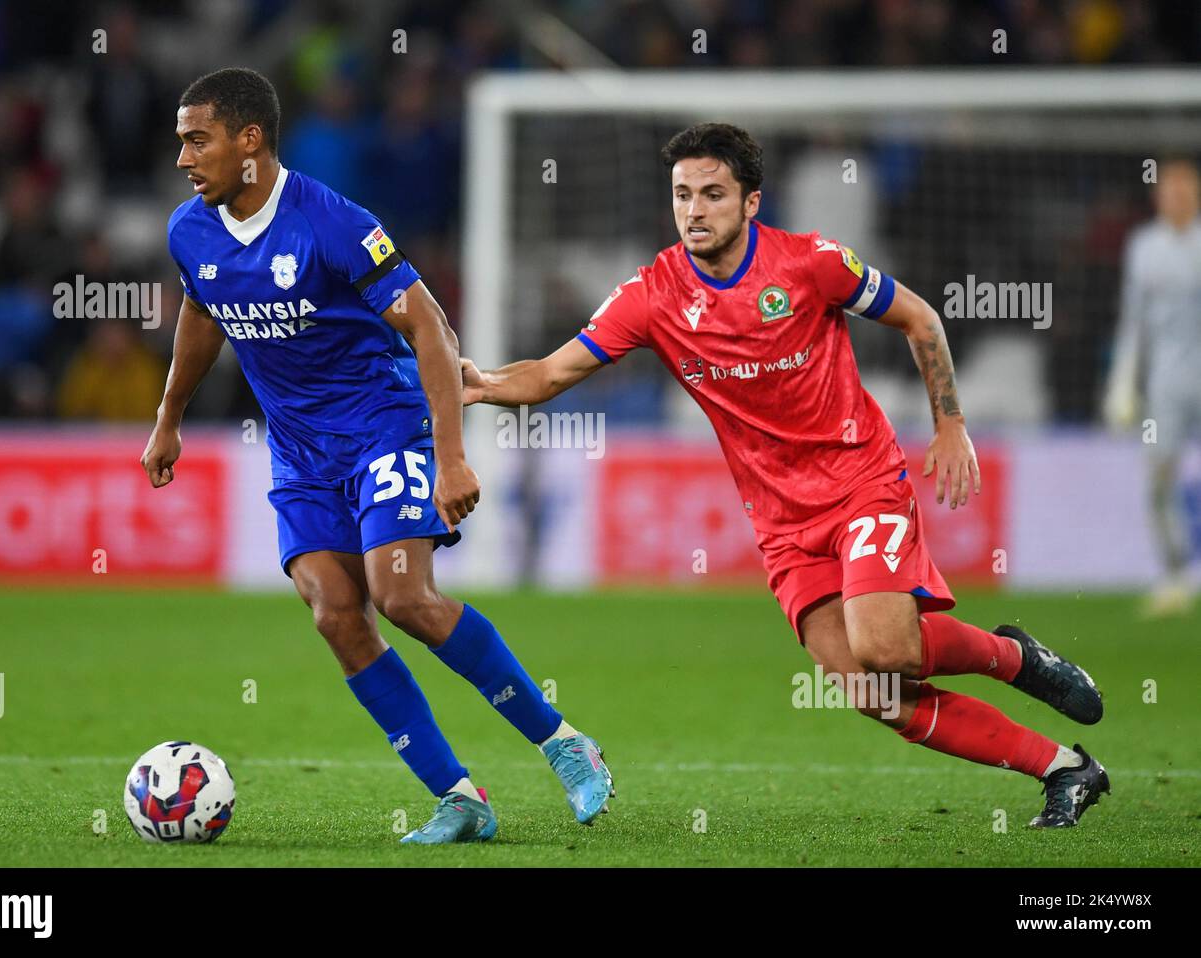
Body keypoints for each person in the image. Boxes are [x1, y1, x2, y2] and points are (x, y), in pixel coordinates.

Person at [463, 123, 1109, 828]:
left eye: (713, 194)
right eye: (683, 195)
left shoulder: (810, 265)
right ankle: (1066, 769)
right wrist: (483, 383)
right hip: (783, 524)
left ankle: (1013, 658)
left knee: (886, 646)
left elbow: (920, 318)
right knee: (875, 693)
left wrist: (951, 423)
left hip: (863, 481)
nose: (695, 210)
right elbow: (553, 372)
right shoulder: (652, 296)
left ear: (751, 203)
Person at [141, 68, 613, 844]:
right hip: (299, 451)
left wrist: (454, 457)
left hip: (383, 425)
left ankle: (564, 744)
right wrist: (169, 418)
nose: (185, 157)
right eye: (181, 141)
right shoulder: (190, 231)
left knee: (404, 599)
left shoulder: (332, 223)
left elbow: (430, 328)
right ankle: (460, 797)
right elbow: (202, 308)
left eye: (199, 139)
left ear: (249, 141)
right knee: (335, 613)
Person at [1104, 157, 1201, 617]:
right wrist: (1122, 383)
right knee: (1159, 477)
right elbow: (1133, 322)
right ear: (1157, 196)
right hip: (1166, 383)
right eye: (1169, 190)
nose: (1176, 197)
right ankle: (1174, 576)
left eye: (1185, 189)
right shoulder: (1143, 247)